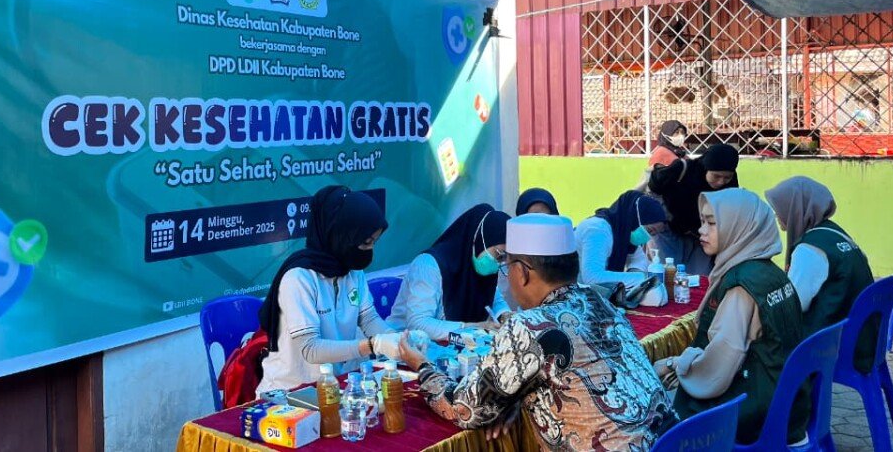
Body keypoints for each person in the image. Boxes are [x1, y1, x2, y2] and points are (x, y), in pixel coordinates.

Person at [400, 213, 676, 451]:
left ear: (522, 273)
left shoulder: (529, 326)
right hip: (673, 441)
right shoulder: (600, 301)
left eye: (507, 267)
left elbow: (464, 408)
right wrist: (516, 398)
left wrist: (422, 366)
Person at [654, 189, 807, 446]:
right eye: (703, 222)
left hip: (756, 409)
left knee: (652, 412)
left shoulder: (740, 288)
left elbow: (716, 370)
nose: (701, 230)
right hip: (788, 396)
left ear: (740, 228)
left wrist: (674, 364)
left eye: (712, 223)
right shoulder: (771, 273)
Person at [256, 185, 395, 394]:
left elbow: (368, 318)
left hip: (333, 386)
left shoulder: (352, 270)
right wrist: (373, 345)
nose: (370, 250)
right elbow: (310, 348)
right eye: (365, 242)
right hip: (290, 393)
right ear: (339, 235)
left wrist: (397, 339)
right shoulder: (299, 278)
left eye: (374, 242)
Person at [766, 176, 876, 373]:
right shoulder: (836, 233)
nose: (777, 215)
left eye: (781, 208)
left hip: (835, 345)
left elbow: (793, 305)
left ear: (796, 209)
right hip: (864, 338)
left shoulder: (810, 249)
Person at [388, 204, 511, 341]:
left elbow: (495, 299)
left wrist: (506, 317)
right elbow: (418, 324)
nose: (500, 263)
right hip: (403, 344)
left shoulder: (477, 267)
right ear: (478, 241)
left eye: (505, 258)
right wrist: (471, 328)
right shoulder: (429, 265)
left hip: (450, 347)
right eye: (499, 255)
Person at [647, 143, 740, 275]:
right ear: (706, 167)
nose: (721, 182)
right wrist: (657, 219)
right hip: (669, 231)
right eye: (716, 176)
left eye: (727, 177)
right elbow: (653, 189)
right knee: (668, 275)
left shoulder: (731, 183)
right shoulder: (682, 169)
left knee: (700, 278)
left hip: (700, 237)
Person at [575, 190, 668, 288]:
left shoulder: (624, 233)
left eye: (653, 234)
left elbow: (640, 260)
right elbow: (592, 277)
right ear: (634, 218)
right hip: (575, 292)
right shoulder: (597, 230)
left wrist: (635, 272)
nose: (648, 237)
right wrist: (640, 278)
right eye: (649, 230)